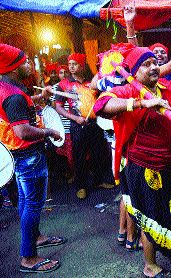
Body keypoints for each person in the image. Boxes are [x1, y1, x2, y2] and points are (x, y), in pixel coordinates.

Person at [93, 46, 171, 277]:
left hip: (169, 166)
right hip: (143, 169)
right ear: (133, 70)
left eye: (154, 62)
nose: (153, 67)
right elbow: (100, 106)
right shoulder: (126, 91)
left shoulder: (166, 87)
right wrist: (141, 103)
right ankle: (150, 266)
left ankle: (166, 251)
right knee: (149, 218)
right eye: (146, 64)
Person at [0, 43, 65, 273]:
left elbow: (21, 109)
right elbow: (22, 130)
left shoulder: (8, 87)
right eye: (26, 61)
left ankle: (35, 236)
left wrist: (40, 97)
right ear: (15, 67)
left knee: (27, 202)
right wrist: (50, 131)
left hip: (18, 154)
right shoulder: (13, 95)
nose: (29, 64)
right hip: (28, 155)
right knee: (33, 205)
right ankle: (28, 258)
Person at [53, 53, 115, 199]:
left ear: (82, 65)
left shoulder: (92, 81)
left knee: (98, 153)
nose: (72, 67)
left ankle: (99, 180)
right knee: (79, 156)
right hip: (77, 125)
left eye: (75, 64)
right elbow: (59, 107)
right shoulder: (64, 84)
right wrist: (75, 118)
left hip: (95, 123)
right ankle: (81, 186)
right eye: (70, 64)